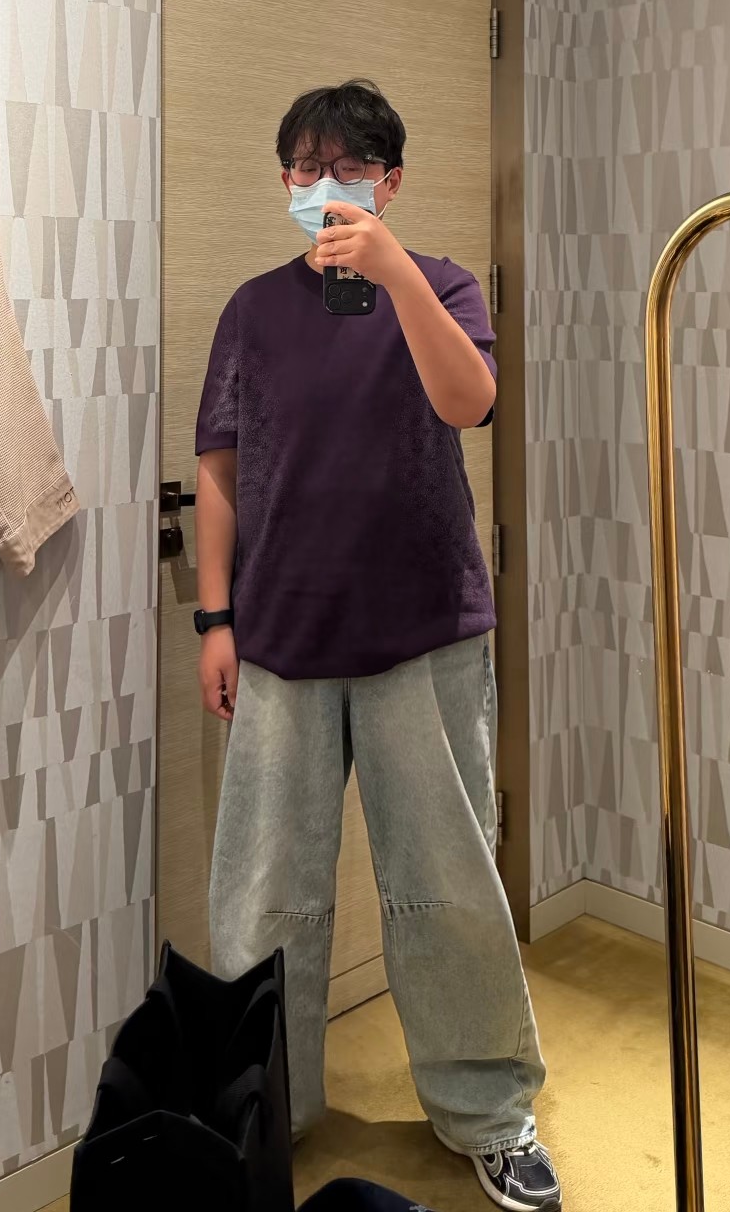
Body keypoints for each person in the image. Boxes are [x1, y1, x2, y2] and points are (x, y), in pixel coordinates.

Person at [192, 80, 558, 1212]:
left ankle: (489, 1109)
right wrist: (214, 618)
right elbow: (219, 467)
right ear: (284, 180)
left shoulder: (441, 284)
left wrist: (395, 274)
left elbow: (469, 402)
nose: (324, 186)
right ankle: (260, 1111)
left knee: (449, 886)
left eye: (348, 167)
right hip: (280, 639)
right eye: (304, 167)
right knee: (262, 898)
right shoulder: (253, 309)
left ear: (390, 182)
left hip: (423, 635)